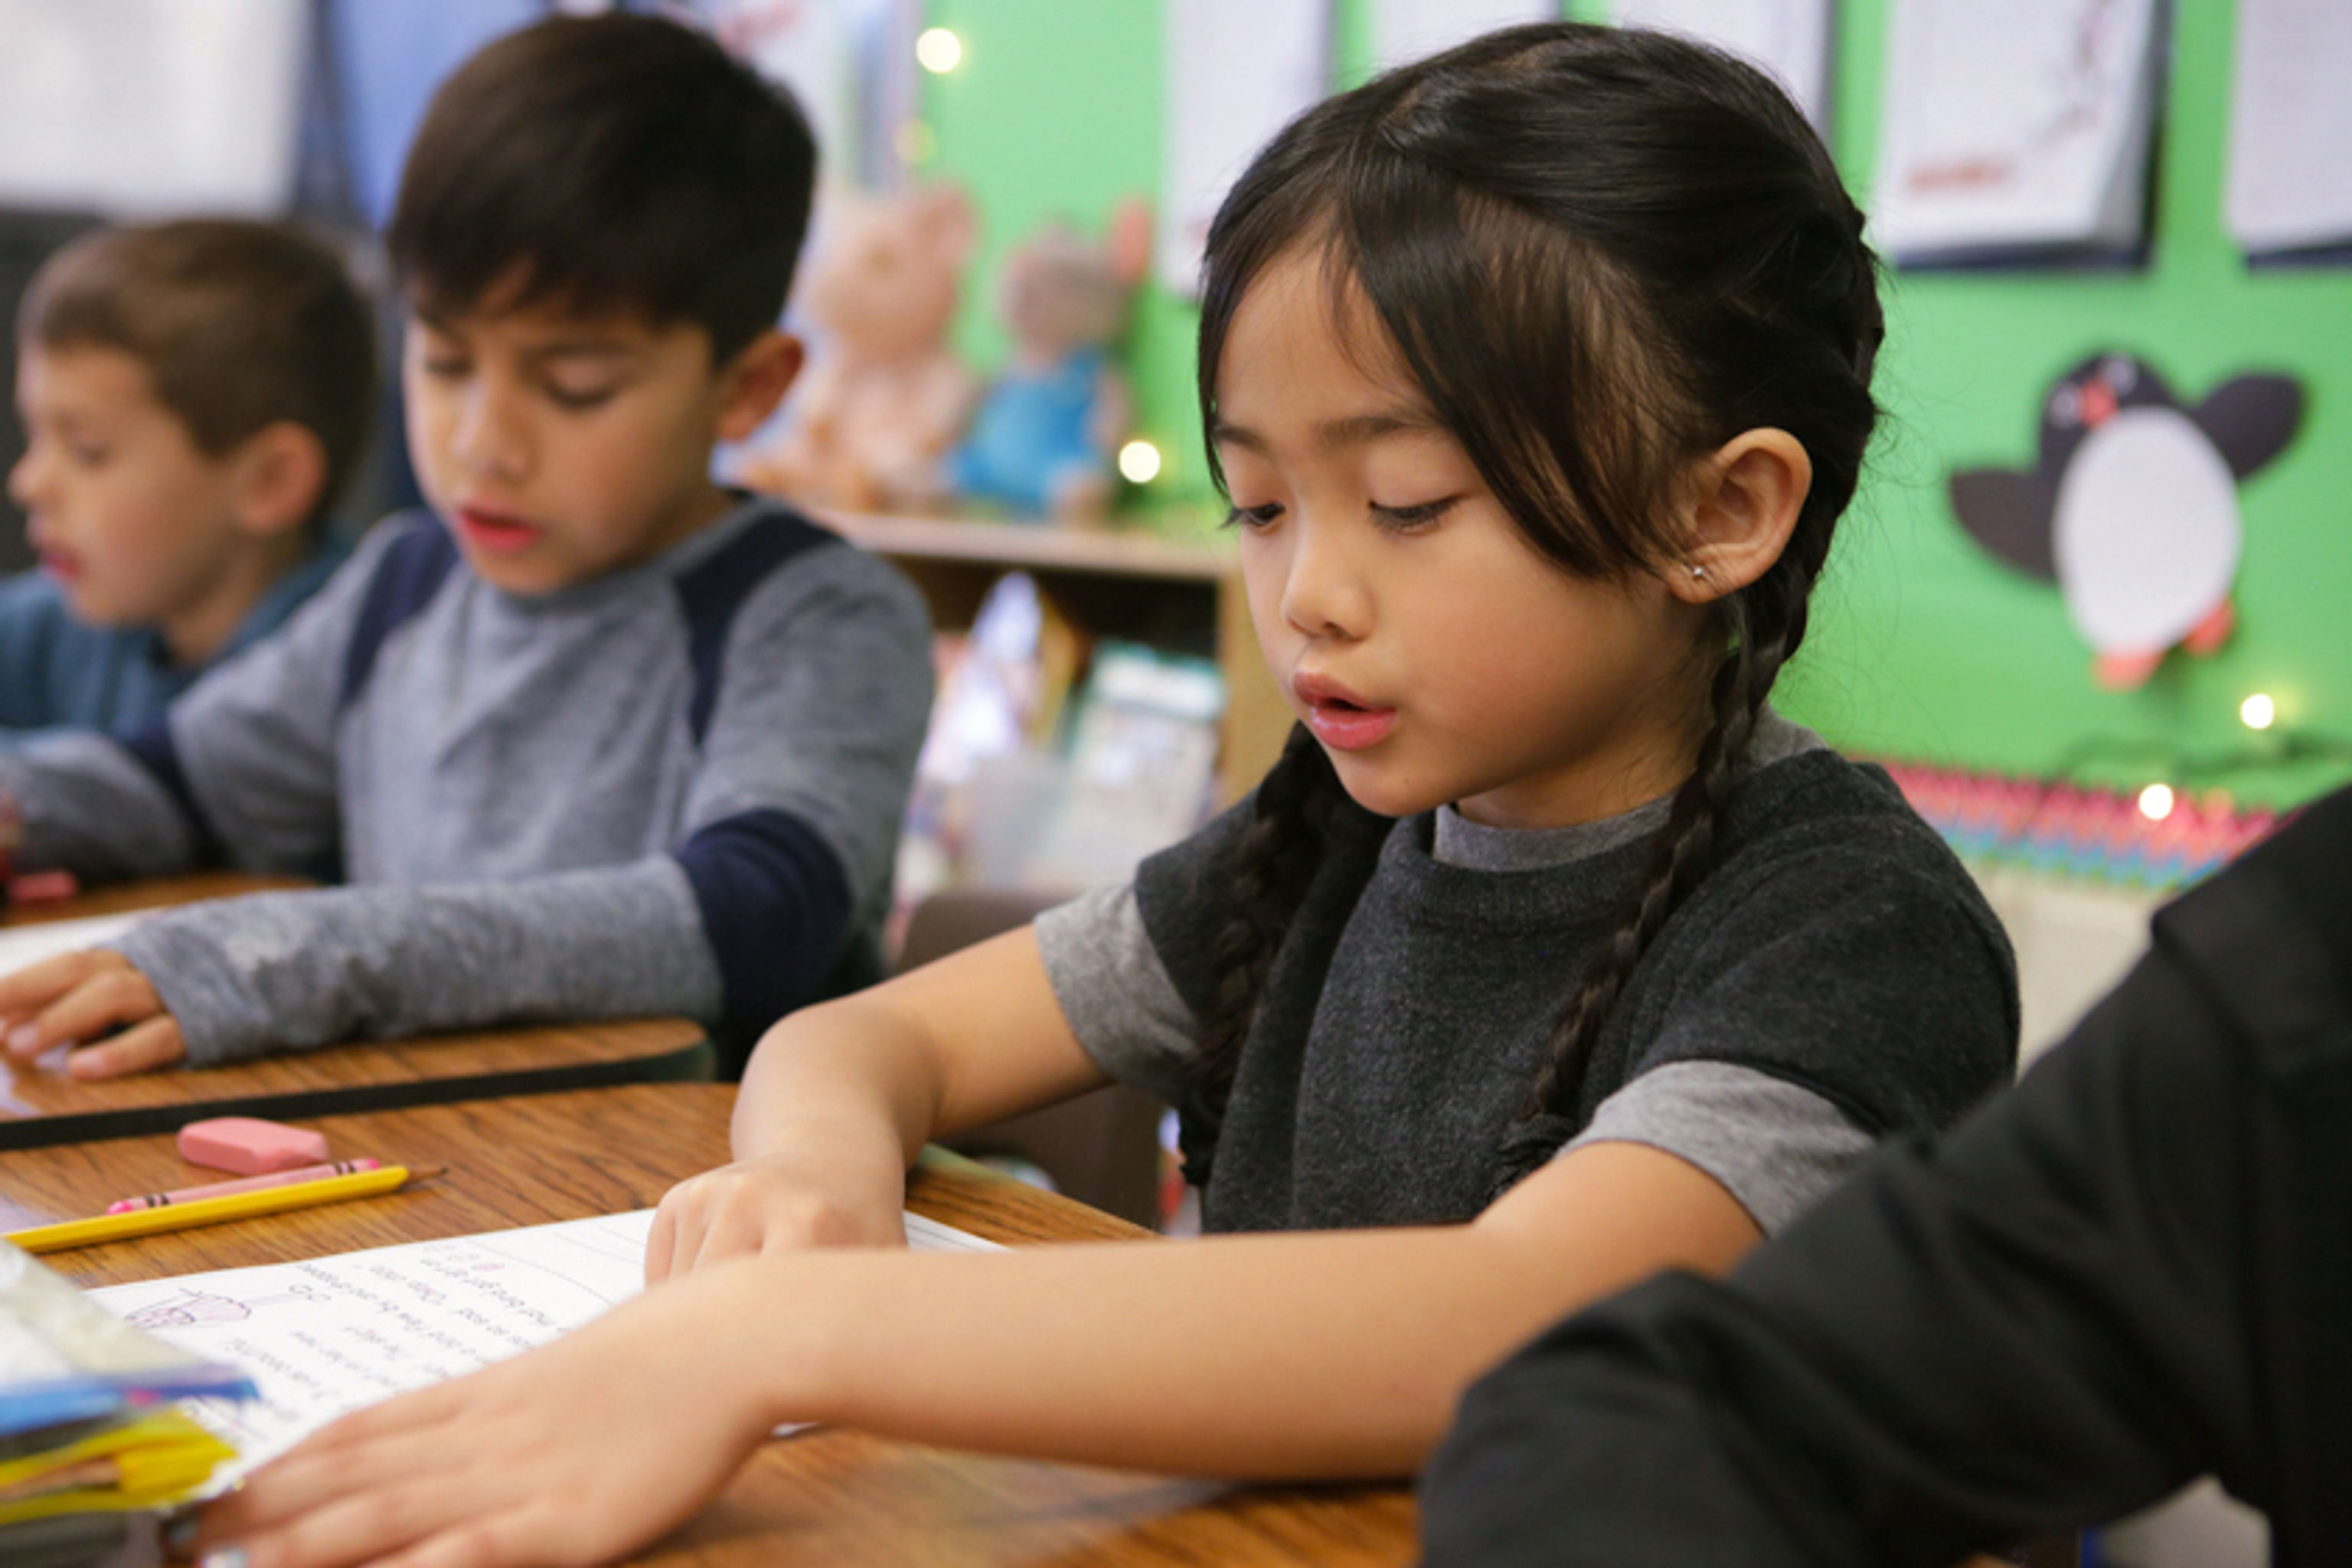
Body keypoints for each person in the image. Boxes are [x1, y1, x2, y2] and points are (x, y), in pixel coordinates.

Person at [198, 24, 2016, 1567]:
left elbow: (1508, 1323)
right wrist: (814, 1188)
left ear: (1720, 510)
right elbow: (852, 1043)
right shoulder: (1321, 837)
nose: (1304, 589)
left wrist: (794, 1326)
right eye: (1256, 504)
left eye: (1401, 504)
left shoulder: (1842, 924)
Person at [0, 14, 931, 1079]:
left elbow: (753, 918)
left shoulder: (819, 615)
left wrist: (301, 958)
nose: (484, 446)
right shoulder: (407, 579)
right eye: (443, 362)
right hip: (452, 1174)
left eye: (573, 387)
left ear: (749, 386)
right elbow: (182, 776)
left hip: (709, 1194)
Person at [1417, 782, 2352, 1568]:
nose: (1307, 603)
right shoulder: (2304, 959)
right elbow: (1664, 1417)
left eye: (1412, 543)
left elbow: (1539, 1309)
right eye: (1263, 546)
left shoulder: (1854, 911)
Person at [2, 220, 369, 744]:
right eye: (33, 437)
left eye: (89, 453)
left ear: (269, 482)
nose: (28, 484)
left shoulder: (343, 672)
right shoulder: (79, 615)